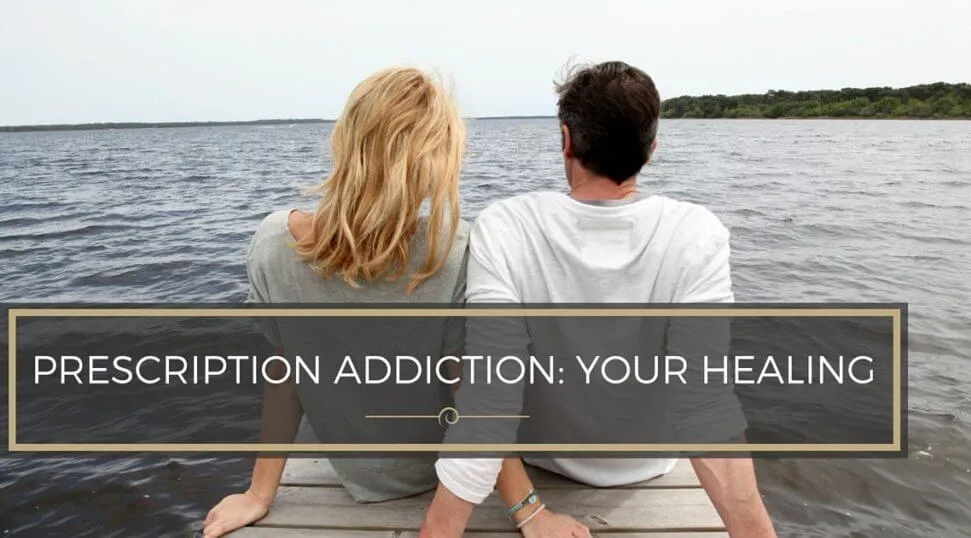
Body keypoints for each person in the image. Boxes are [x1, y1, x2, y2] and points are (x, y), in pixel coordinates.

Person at [419, 61, 777, 537]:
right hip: (649, 467)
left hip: (542, 465)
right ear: (651, 149)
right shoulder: (695, 234)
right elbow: (705, 406)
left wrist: (439, 530)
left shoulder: (507, 227)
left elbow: (490, 398)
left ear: (566, 139)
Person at [201, 66, 471, 538]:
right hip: (450, 481)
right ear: (439, 160)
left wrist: (259, 493)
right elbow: (471, 394)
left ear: (344, 141)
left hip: (358, 480)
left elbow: (285, 372)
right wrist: (526, 506)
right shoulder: (457, 250)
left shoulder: (273, 244)